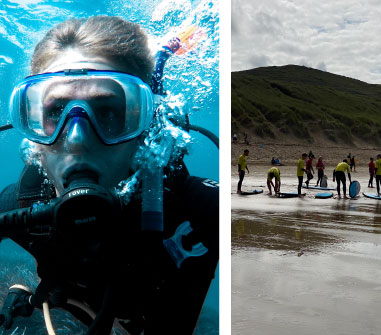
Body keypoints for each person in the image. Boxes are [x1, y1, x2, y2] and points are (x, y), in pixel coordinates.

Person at [0, 16, 218, 333]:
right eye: (56, 112)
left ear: (146, 128)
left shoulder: (203, 211)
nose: (76, 138)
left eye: (108, 112)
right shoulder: (19, 206)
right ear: (32, 126)